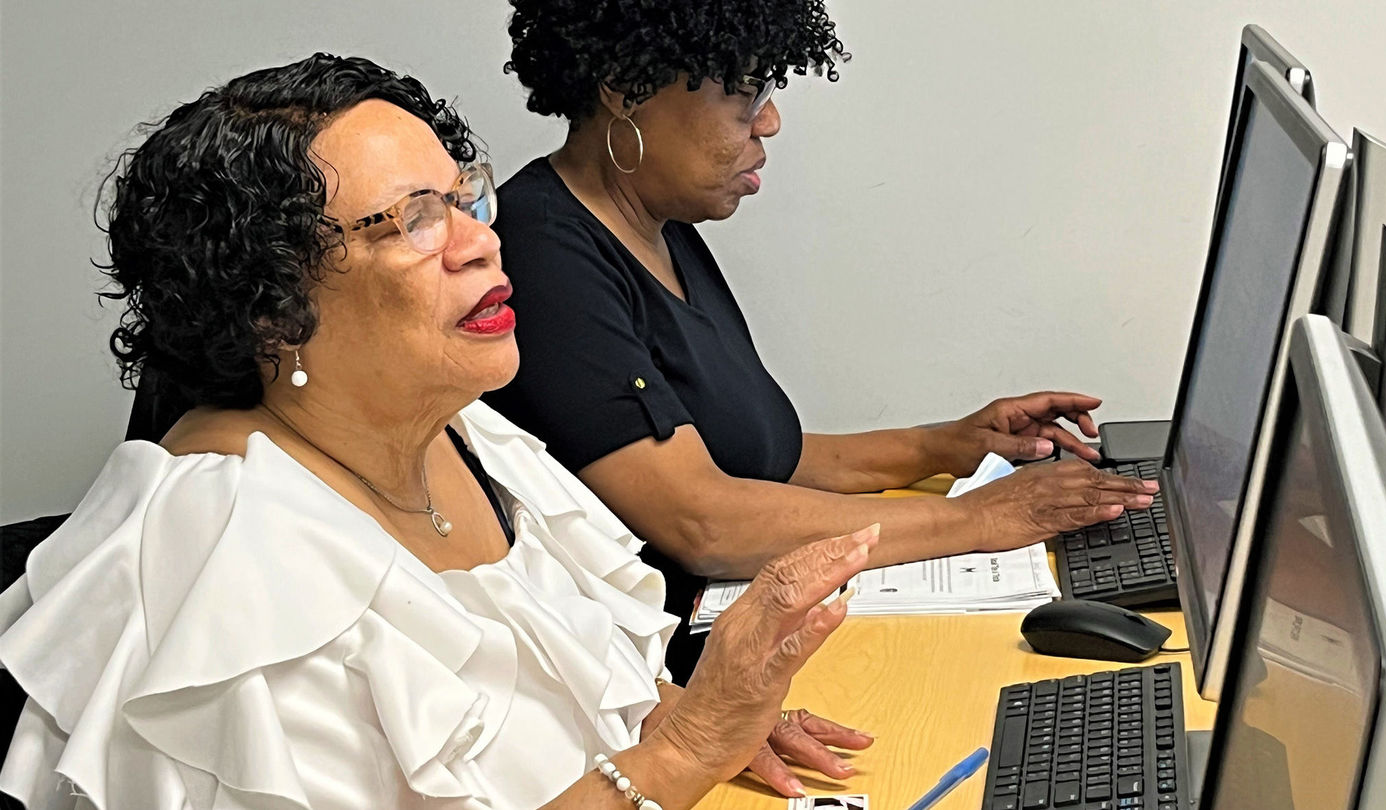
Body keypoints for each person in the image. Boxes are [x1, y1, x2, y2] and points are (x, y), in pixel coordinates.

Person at [0, 54, 876, 809]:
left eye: (467, 198)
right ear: (271, 307)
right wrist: (685, 754)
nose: (482, 244)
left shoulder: (471, 438)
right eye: (416, 218)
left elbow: (573, 688)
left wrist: (690, 717)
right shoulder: (223, 557)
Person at [486, 0, 1159, 677]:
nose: (770, 121)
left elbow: (749, 454)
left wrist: (948, 446)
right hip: (667, 685)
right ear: (626, 89)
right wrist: (981, 521)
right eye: (747, 92)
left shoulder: (657, 225)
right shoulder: (544, 256)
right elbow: (703, 521)